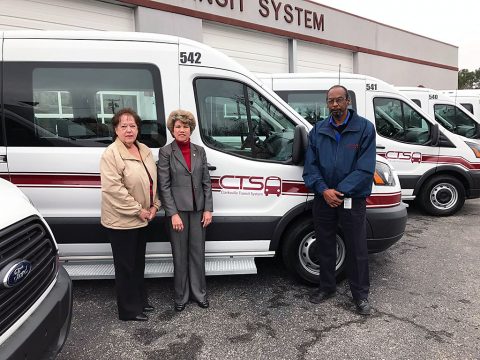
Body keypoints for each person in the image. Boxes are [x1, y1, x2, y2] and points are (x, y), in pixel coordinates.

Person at [303, 85, 376, 315]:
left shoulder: (364, 128)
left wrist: (340, 192)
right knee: (325, 244)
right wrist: (325, 190)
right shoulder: (317, 131)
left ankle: (360, 296)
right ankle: (327, 287)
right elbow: (310, 168)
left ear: (348, 102)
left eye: (339, 100)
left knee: (356, 248)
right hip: (324, 197)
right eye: (330, 101)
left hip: (352, 199)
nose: (334, 105)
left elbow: (365, 168)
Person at [100, 108, 160, 321]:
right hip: (122, 221)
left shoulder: (143, 149)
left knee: (138, 263)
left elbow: (153, 182)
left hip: (143, 218)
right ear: (115, 129)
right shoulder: (111, 154)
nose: (128, 130)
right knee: (126, 267)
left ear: (138, 129)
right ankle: (128, 310)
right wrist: (139, 210)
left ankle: (140, 301)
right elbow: (114, 190)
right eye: (123, 126)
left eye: (132, 126)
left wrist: (155, 206)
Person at [157, 109, 213, 312]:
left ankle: (200, 294)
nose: (182, 130)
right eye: (178, 126)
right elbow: (163, 186)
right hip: (177, 213)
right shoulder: (165, 152)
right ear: (172, 130)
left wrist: (208, 209)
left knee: (198, 253)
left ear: (191, 129)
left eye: (186, 126)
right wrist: (172, 214)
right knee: (179, 255)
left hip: (198, 211)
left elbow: (206, 182)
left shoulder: (200, 150)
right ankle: (181, 296)